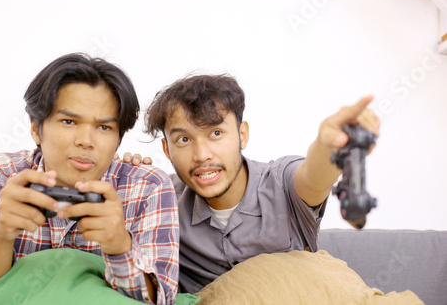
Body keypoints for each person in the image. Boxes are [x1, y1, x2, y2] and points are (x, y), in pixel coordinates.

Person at [0, 53, 179, 304]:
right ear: (36, 129)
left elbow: (162, 300)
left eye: (104, 127)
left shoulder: (148, 188)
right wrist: (0, 236)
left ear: (118, 140)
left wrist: (120, 247)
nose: (86, 141)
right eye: (69, 121)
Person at [142, 74, 380, 294]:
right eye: (184, 139)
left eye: (215, 133)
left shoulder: (281, 182)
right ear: (167, 150)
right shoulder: (158, 201)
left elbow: (313, 176)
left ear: (242, 134)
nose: (202, 154)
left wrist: (329, 145)